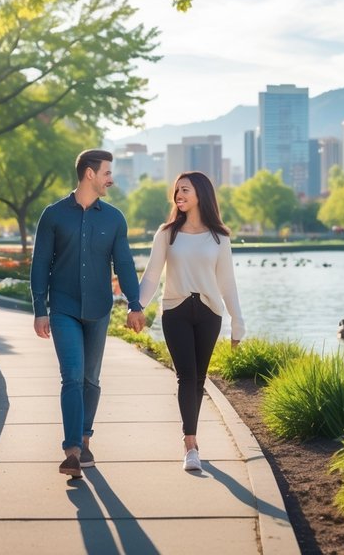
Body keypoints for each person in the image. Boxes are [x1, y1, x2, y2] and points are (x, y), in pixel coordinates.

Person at [31, 149, 146, 479]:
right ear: (90, 174)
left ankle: (85, 437)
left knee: (90, 379)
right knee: (72, 375)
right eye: (107, 172)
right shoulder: (53, 215)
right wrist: (41, 309)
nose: (112, 179)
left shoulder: (114, 219)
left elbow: (123, 264)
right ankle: (72, 451)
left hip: (99, 310)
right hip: (63, 307)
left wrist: (135, 304)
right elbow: (40, 264)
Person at [137, 171, 245, 472]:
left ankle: (191, 439)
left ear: (201, 194)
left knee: (199, 379)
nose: (178, 195)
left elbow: (228, 283)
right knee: (186, 376)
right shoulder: (167, 233)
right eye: (176, 191)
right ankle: (190, 445)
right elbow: (151, 276)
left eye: (184, 190)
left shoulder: (219, 237)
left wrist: (238, 324)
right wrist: (136, 307)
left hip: (210, 313)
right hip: (176, 311)